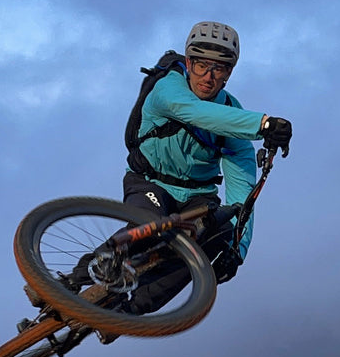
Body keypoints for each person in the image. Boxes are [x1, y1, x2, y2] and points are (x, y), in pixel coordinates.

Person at [119, 20, 292, 316]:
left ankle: (126, 312)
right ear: (188, 62)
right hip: (150, 182)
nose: (208, 77)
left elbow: (242, 195)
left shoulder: (232, 114)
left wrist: (238, 250)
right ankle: (76, 279)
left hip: (198, 196)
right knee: (151, 226)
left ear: (229, 74)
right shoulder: (167, 88)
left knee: (212, 241)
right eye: (201, 65)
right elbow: (196, 113)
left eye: (220, 68)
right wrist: (263, 124)